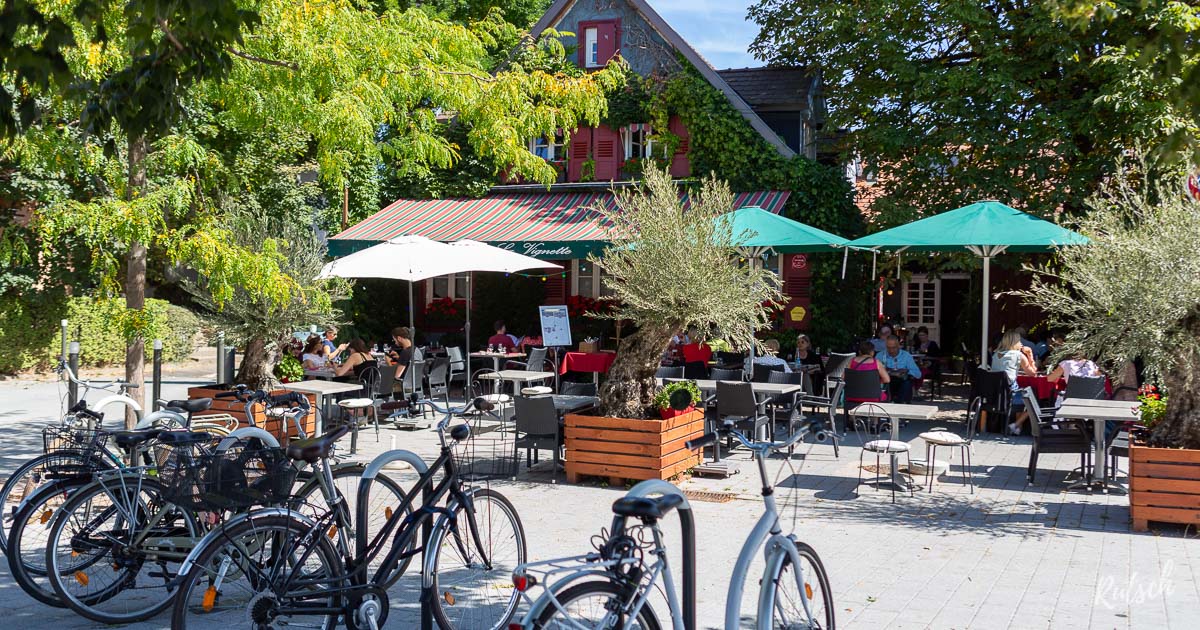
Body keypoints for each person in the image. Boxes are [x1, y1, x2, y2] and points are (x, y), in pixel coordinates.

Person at [991, 329, 1039, 434]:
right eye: (1019, 341)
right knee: (1034, 398)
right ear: (1015, 342)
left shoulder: (995, 354)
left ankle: (1016, 428)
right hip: (1010, 394)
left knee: (1023, 394)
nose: (1021, 343)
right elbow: (1033, 373)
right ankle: (1016, 425)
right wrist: (1030, 355)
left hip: (996, 394)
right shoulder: (1018, 355)